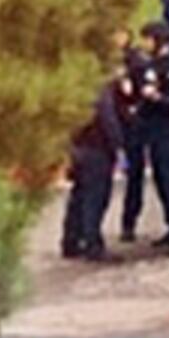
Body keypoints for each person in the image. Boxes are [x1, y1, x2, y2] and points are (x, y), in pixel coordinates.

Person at [123, 21, 169, 253]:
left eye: (148, 39)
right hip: (154, 132)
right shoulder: (152, 65)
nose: (144, 44)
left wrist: (158, 99)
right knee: (162, 182)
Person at [58, 80, 121, 263]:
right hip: (97, 148)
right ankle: (93, 244)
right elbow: (107, 118)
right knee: (95, 198)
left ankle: (70, 241)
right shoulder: (99, 88)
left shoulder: (72, 85)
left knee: (78, 196)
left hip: (78, 147)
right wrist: (118, 144)